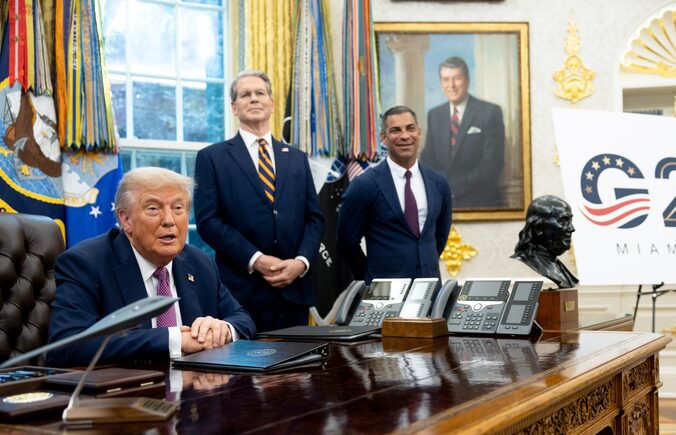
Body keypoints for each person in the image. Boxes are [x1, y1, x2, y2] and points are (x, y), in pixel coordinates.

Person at [47, 167, 256, 367]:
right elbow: (67, 345)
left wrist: (223, 329)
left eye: (178, 208)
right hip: (127, 388)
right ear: (126, 220)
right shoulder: (86, 263)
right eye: (153, 209)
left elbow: (243, 319)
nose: (169, 220)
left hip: (196, 385)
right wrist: (175, 340)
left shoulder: (199, 262)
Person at [194, 69, 324, 332]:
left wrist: (301, 263)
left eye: (260, 93)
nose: (254, 98)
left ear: (272, 103)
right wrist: (256, 259)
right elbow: (208, 222)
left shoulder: (296, 158)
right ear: (234, 107)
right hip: (241, 294)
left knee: (297, 360)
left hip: (294, 291)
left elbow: (314, 219)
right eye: (245, 94)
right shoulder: (212, 158)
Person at [337, 105, 452, 284]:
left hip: (429, 288)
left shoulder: (438, 183)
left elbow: (440, 236)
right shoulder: (364, 185)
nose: (405, 136)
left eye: (410, 128)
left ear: (419, 132)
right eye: (396, 130)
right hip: (385, 292)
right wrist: (369, 277)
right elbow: (346, 241)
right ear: (384, 137)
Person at [420, 56, 505, 209]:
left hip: (480, 203)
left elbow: (492, 165)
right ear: (441, 83)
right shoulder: (434, 115)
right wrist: (444, 188)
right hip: (442, 202)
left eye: (457, 78)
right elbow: (427, 160)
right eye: (446, 79)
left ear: (467, 80)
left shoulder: (490, 112)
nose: (451, 85)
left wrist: (452, 187)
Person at [511, 195, 579, 289]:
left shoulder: (557, 266)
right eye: (563, 221)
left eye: (570, 221)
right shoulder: (527, 264)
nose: (571, 228)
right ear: (539, 228)